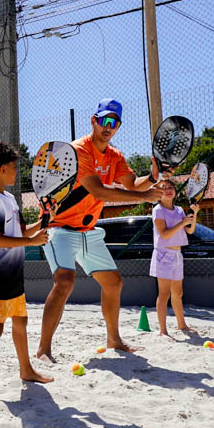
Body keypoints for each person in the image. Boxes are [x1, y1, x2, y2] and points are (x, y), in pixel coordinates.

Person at [36, 98, 171, 362]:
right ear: (93, 121)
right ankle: (43, 349)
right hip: (60, 228)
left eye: (114, 122)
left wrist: (153, 178)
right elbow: (97, 190)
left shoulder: (115, 156)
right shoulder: (78, 151)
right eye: (104, 120)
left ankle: (114, 340)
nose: (108, 126)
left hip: (88, 230)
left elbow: (133, 185)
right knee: (64, 282)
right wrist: (144, 197)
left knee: (114, 283)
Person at [0, 141, 54, 396]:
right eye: (13, 166)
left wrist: (43, 221)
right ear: (1, 169)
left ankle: (26, 370)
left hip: (13, 271)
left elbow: (17, 232)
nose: (17, 170)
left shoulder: (8, 198)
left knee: (21, 320)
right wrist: (31, 242)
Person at [151, 185, 199, 340]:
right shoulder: (158, 210)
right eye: (164, 188)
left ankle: (181, 325)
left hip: (177, 254)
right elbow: (164, 234)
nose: (168, 190)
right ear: (159, 193)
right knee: (164, 294)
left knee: (178, 293)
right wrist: (182, 222)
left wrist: (195, 214)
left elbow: (190, 231)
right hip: (164, 254)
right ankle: (163, 331)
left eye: (171, 187)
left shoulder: (179, 210)